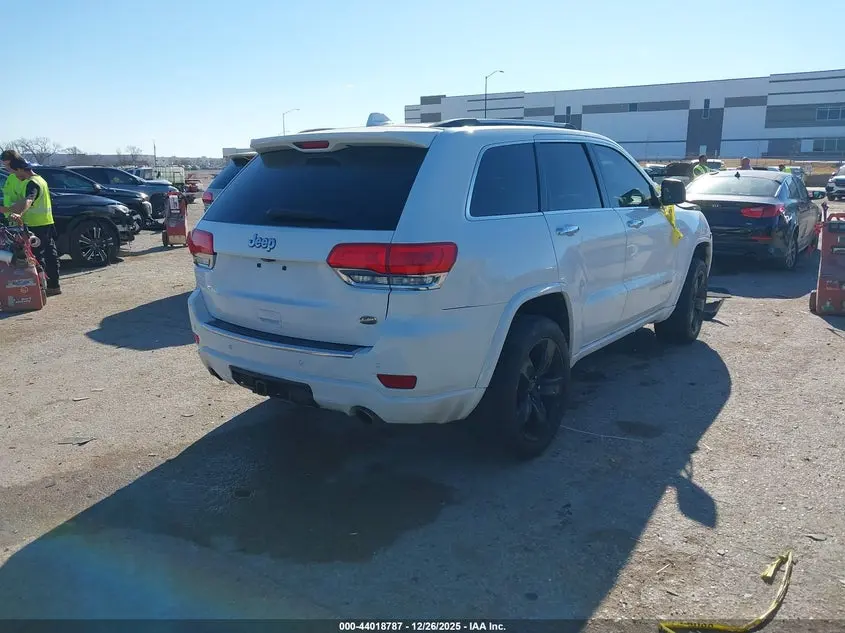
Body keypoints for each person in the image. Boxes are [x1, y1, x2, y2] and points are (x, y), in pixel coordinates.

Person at [1, 157, 61, 295]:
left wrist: (19, 213)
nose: (15, 176)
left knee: (37, 258)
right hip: (46, 223)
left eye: (15, 172)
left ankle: (39, 290)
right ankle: (53, 286)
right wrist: (9, 209)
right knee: (50, 255)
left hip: (35, 226)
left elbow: (29, 199)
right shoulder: (40, 180)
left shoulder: (32, 183)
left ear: (20, 169)